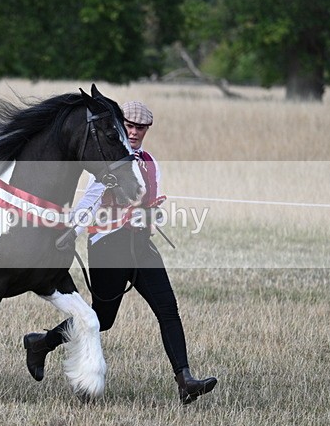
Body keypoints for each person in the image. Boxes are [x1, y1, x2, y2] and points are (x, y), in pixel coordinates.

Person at [23, 100, 217, 404]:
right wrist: (70, 233)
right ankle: (42, 343)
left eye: (141, 128)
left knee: (168, 309)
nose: (135, 132)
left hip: (141, 245)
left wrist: (151, 216)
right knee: (102, 318)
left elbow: (150, 200)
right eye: (130, 126)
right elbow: (89, 202)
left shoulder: (150, 162)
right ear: (120, 128)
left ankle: (185, 380)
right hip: (108, 245)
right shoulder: (109, 162)